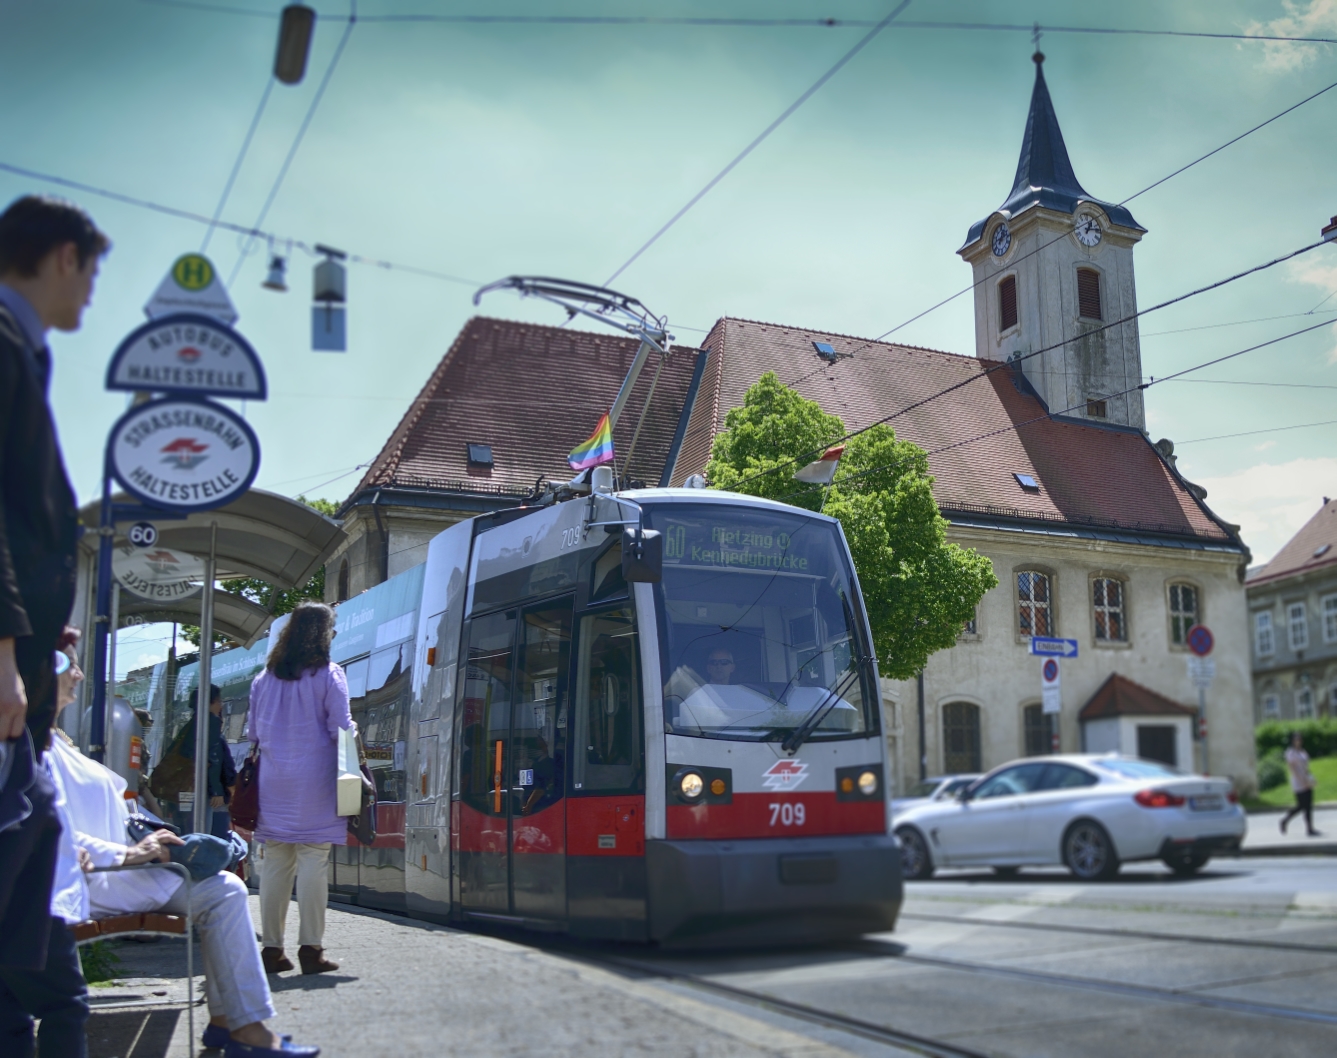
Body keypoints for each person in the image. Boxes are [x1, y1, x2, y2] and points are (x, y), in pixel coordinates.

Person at [42, 644, 320, 1056]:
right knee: (223, 890)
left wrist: (149, 836)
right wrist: (130, 854)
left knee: (222, 884)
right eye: (70, 664)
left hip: (112, 872)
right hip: (97, 879)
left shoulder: (50, 739)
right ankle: (241, 1026)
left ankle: (233, 1022)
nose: (80, 675)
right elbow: (50, 832)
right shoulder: (32, 745)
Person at [0, 195, 107, 1054]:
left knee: (26, 948)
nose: (93, 293)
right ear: (63, 255)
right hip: (4, 691)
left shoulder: (18, 349)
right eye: (95, 271)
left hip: (23, 696)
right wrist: (2, 646)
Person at [249, 602, 352, 976]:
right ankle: (311, 949)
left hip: (274, 781)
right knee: (313, 859)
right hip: (316, 782)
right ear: (323, 634)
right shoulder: (329, 675)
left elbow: (254, 734)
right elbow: (341, 729)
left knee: (276, 862)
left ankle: (272, 951)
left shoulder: (264, 678)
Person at [1280, 731, 1320, 837]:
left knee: (1308, 806)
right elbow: (1292, 769)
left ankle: (1310, 828)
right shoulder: (1290, 753)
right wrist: (1302, 781)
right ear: (1293, 741)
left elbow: (1306, 767)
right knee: (1301, 805)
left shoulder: (1303, 752)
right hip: (1298, 782)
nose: (1299, 741)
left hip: (1306, 779)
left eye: (1300, 739)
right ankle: (1285, 820)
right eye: (1296, 739)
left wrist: (1311, 779)